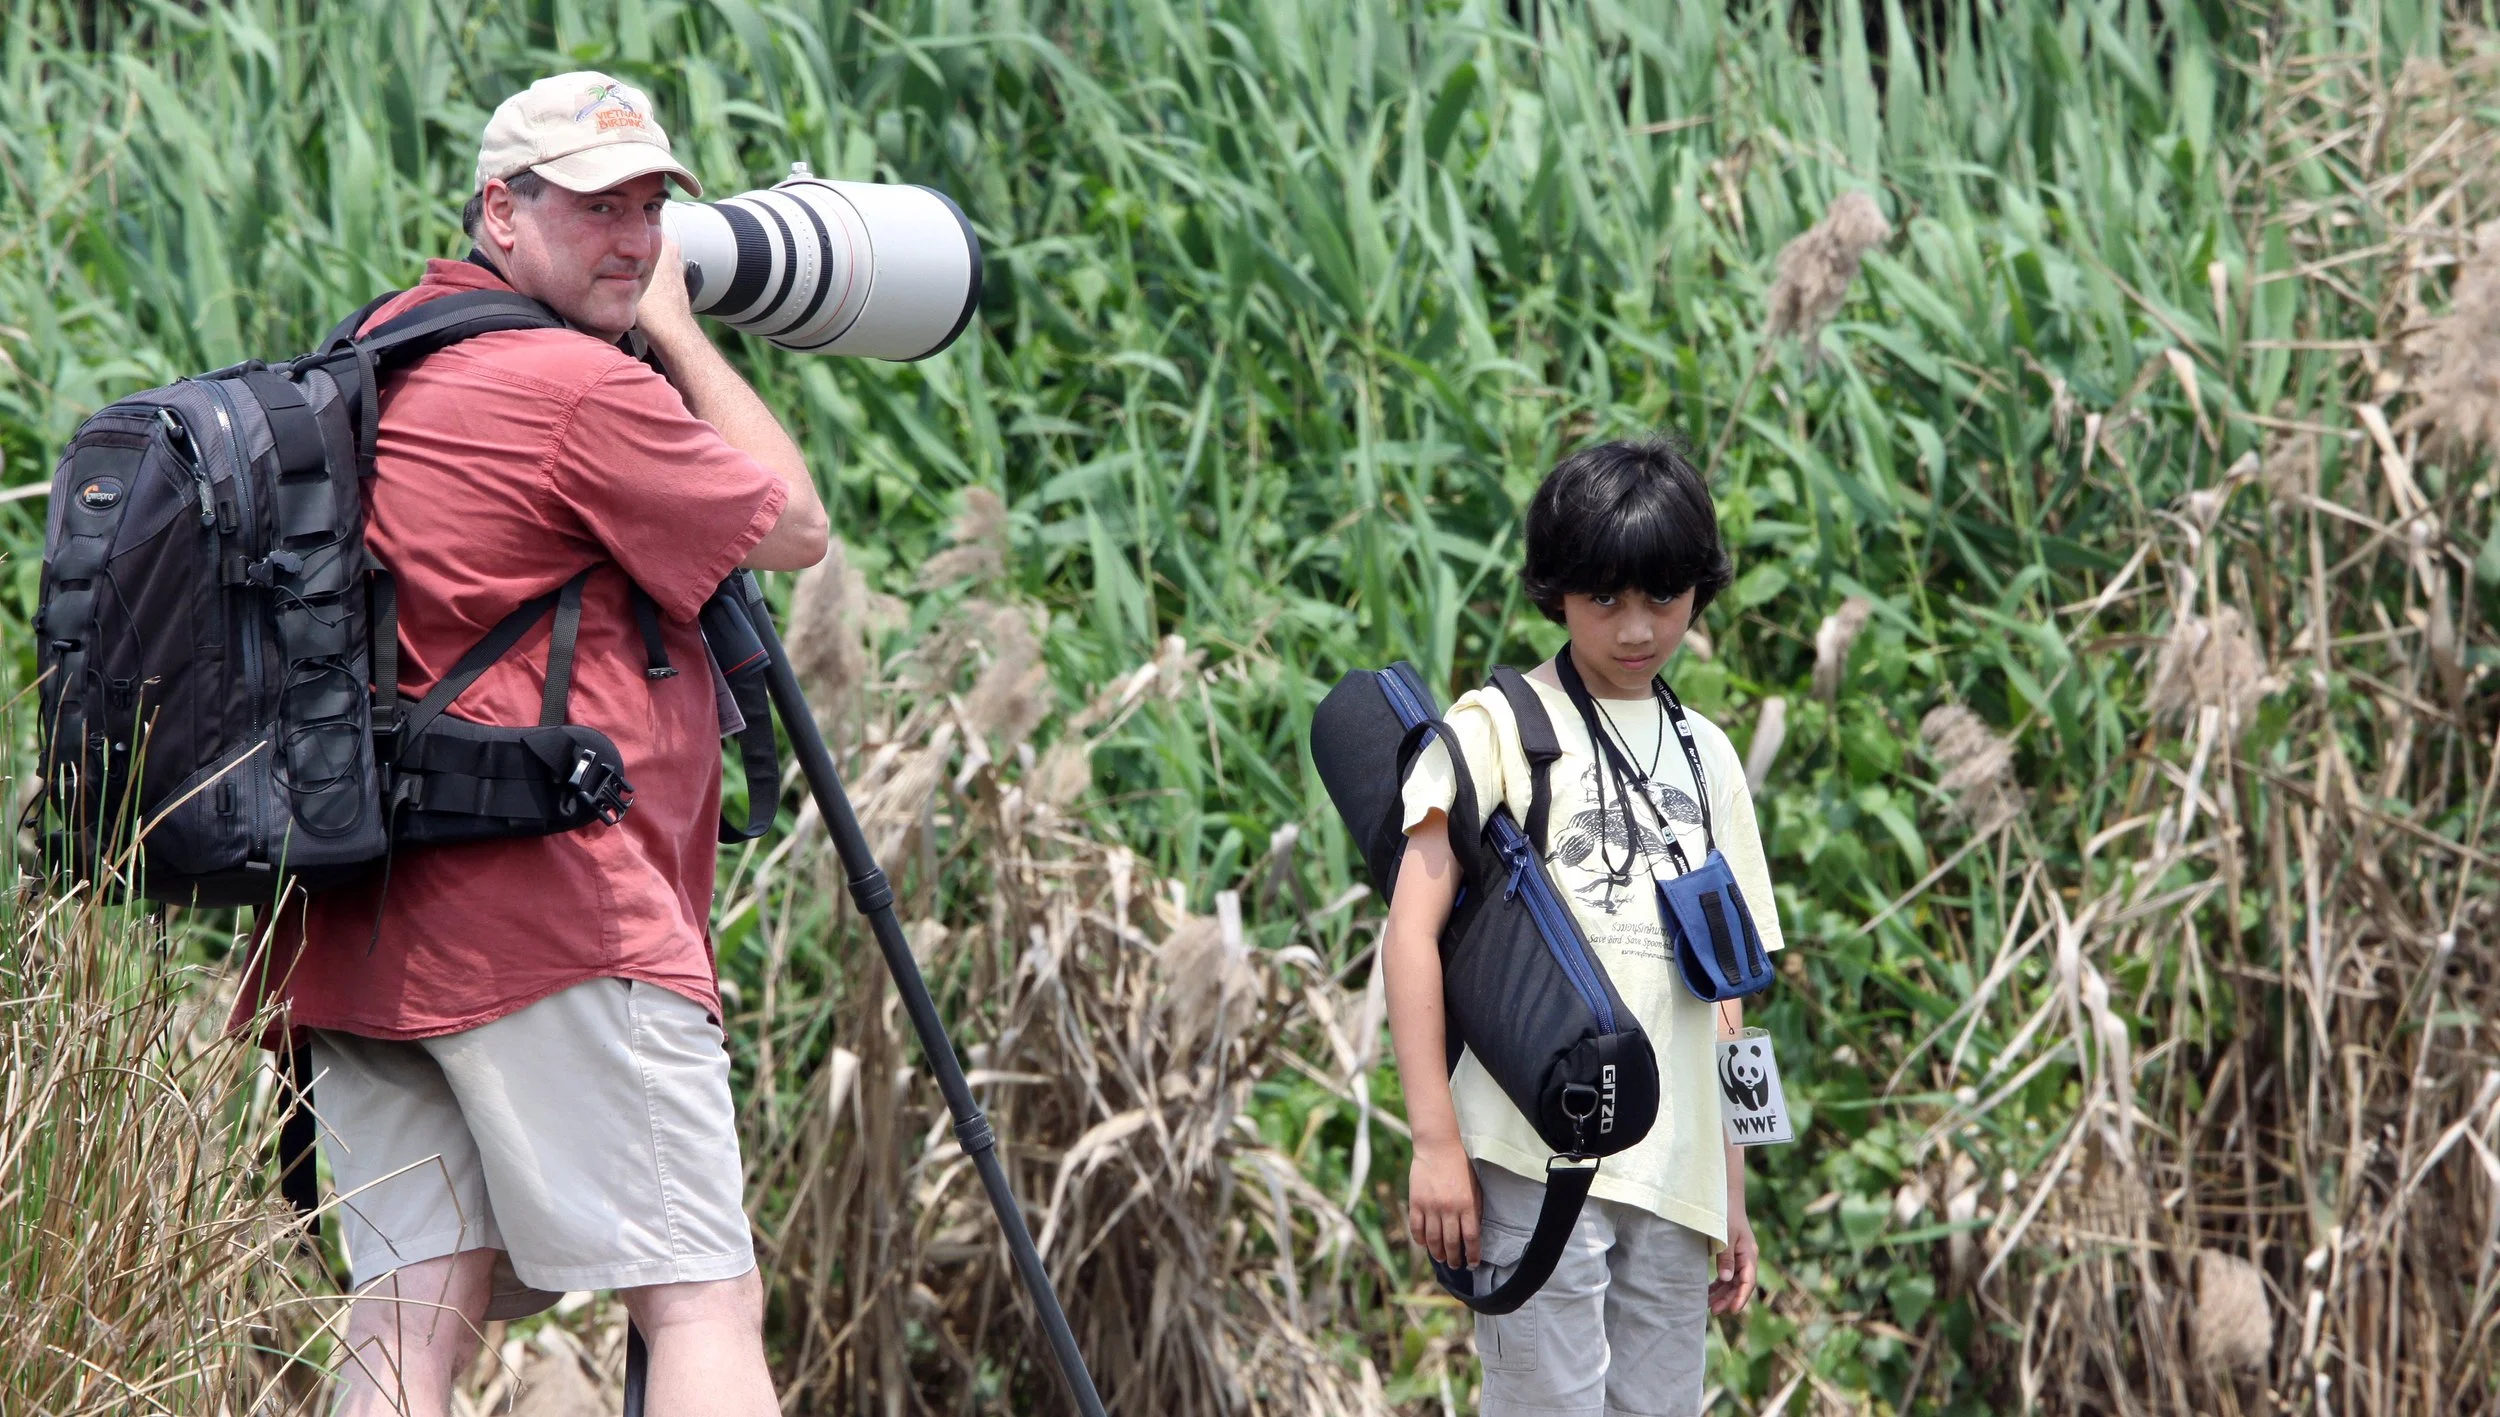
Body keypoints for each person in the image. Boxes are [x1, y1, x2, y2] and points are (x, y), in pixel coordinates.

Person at [230, 72, 829, 1416]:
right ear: (502, 208)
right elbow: (791, 524)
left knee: (405, 1323)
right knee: (700, 1296)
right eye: (595, 208)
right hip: (558, 922)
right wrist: (678, 335)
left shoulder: (379, 350)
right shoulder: (570, 386)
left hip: (365, 922)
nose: (632, 238)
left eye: (648, 208)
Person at [1383, 436, 1781, 1417]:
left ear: (1699, 586)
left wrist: (1734, 1190)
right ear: (1556, 592)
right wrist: (1434, 1139)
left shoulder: (1707, 757)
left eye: (1664, 595)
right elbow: (1408, 931)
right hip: (1532, 1158)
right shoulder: (1499, 726)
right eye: (1607, 599)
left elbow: (1727, 993)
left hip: (1677, 1174)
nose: (1638, 627)